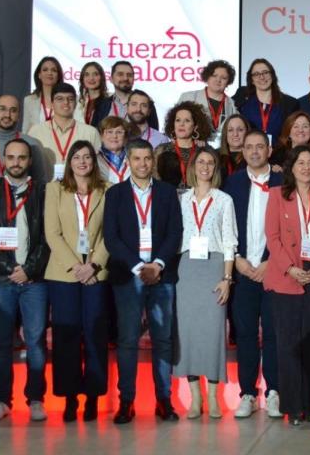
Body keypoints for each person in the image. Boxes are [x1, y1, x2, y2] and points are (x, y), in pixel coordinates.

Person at [103, 139, 183, 424]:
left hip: (161, 276)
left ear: (153, 160)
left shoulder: (167, 192)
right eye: (136, 159)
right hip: (129, 275)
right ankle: (126, 402)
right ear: (129, 161)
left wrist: (157, 264)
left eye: (147, 158)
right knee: (127, 341)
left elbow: (176, 232)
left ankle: (164, 400)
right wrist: (139, 266)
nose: (142, 164)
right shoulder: (115, 194)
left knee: (163, 339)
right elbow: (111, 237)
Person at [0, 138, 50, 423]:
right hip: (1, 279)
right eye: (11, 157)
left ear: (29, 161)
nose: (16, 162)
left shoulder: (42, 191)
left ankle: (36, 399)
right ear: (4, 160)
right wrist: (9, 267)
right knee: (1, 343)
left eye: (22, 157)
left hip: (34, 281)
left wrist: (29, 269)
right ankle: (1, 400)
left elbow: (47, 236)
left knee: (36, 341)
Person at [264, 146, 310, 426]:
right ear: (291, 167)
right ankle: (293, 407)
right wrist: (291, 268)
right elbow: (272, 238)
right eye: (300, 162)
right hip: (287, 276)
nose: (305, 167)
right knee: (288, 345)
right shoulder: (276, 196)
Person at [43, 140, 110, 422]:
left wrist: (93, 265)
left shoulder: (106, 190)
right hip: (64, 273)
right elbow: (52, 233)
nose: (82, 162)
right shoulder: (54, 189)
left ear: (94, 162)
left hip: (97, 273)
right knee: (66, 336)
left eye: (87, 157)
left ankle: (93, 397)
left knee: (95, 335)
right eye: (77, 157)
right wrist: (76, 266)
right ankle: (70, 397)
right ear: (69, 162)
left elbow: (111, 232)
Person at [222, 130, 283, 419]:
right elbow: (224, 226)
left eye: (260, 147)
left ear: (269, 150)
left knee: (273, 333)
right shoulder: (231, 183)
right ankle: (247, 392)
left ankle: (274, 391)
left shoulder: (284, 182)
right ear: (242, 151)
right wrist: (236, 260)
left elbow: (291, 229)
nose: (255, 152)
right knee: (245, 334)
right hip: (244, 270)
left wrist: (273, 262)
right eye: (249, 147)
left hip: (275, 271)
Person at [177, 149, 238, 420]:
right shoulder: (180, 199)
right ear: (193, 166)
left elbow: (229, 242)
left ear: (216, 168)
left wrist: (227, 279)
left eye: (210, 162)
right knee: (187, 333)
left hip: (214, 267)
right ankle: (195, 398)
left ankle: (213, 397)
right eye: (200, 162)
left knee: (213, 333)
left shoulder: (224, 200)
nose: (205, 166)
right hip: (186, 269)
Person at [27, 83, 102, 181]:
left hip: (80, 191)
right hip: (45, 190)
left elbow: (97, 167)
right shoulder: (35, 131)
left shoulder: (90, 132)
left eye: (70, 99)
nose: (66, 102)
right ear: (52, 103)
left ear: (75, 103)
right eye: (60, 99)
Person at [233, 58, 299, 145]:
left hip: (279, 154)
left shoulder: (289, 103)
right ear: (251, 80)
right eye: (256, 74)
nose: (262, 77)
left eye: (265, 72)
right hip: (249, 154)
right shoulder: (242, 98)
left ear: (272, 75)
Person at [177, 59, 237, 149]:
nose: (218, 80)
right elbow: (175, 126)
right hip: (192, 149)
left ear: (228, 82)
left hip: (222, 152)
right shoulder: (188, 97)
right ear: (207, 77)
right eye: (214, 76)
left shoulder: (232, 105)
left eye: (223, 78)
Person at [155, 101, 213, 189]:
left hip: (198, 200)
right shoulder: (161, 149)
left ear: (195, 126)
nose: (181, 124)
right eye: (178, 120)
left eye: (187, 120)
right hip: (169, 199)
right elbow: (154, 179)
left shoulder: (203, 149)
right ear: (173, 124)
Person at [90, 60, 160, 130]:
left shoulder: (146, 103)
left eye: (129, 75)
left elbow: (154, 134)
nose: (125, 78)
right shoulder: (101, 105)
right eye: (120, 74)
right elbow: (94, 134)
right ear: (111, 79)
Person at [269, 111, 310, 176]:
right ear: (288, 132)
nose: (300, 130)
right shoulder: (277, 156)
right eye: (296, 126)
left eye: (305, 126)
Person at [22, 56, 66, 134]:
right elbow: (25, 130)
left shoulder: (69, 99)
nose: (49, 73)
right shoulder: (29, 100)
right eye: (45, 70)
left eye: (54, 70)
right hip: (37, 144)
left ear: (58, 76)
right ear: (39, 75)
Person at [96, 116, 131, 184]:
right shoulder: (94, 159)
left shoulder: (133, 159)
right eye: (110, 132)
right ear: (102, 136)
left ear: (125, 138)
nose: (114, 136)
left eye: (119, 132)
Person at [76, 61, 110, 125]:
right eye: (87, 75)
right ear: (82, 79)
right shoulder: (77, 101)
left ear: (101, 77)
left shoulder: (110, 100)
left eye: (95, 74)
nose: (91, 78)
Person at [219, 113, 249, 182]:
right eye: (230, 130)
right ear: (225, 133)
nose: (235, 134)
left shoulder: (253, 157)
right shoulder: (215, 156)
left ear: (247, 132)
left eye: (240, 130)